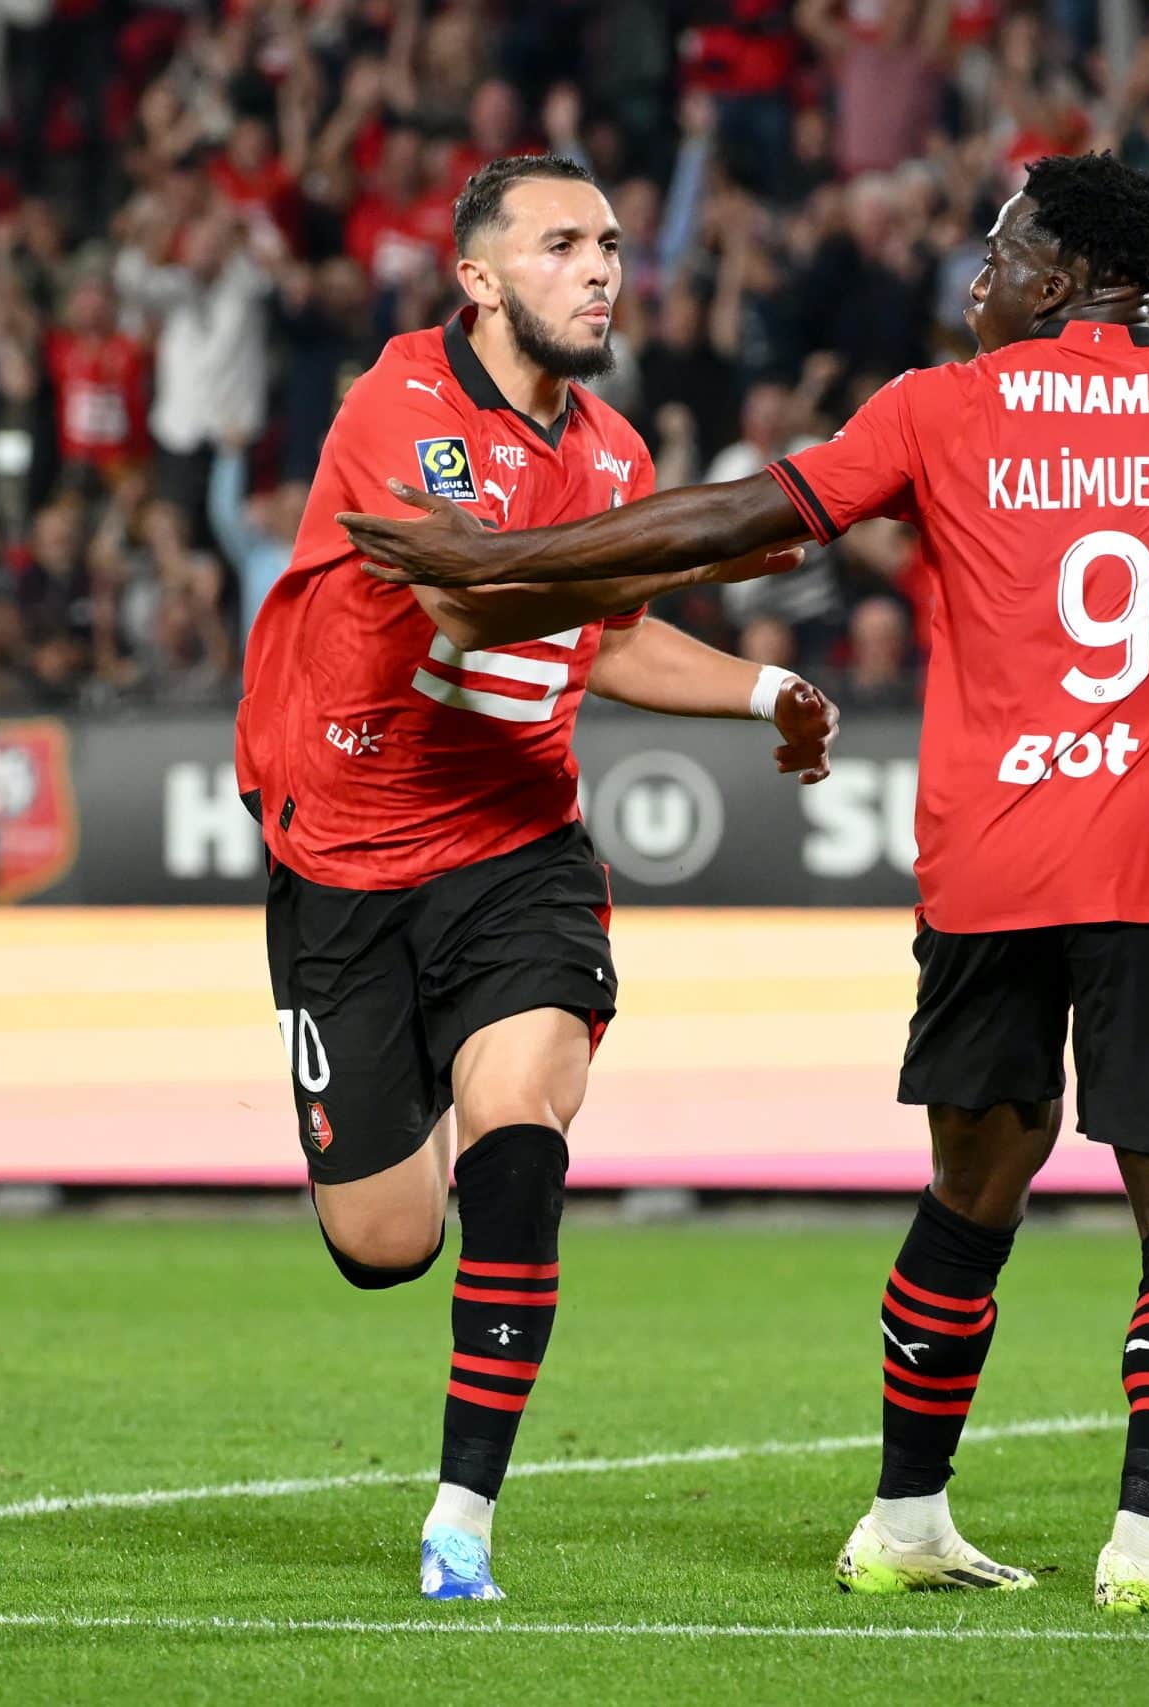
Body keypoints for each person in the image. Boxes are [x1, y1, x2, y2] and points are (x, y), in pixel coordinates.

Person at [341, 151, 1149, 1614]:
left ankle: (906, 1515)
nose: (978, 275)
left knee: (971, 1188)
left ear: (1076, 276)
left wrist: (512, 555)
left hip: (988, 865)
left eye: (1004, 249)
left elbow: (729, 520)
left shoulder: (939, 409)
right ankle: (1146, 1544)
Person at [237, 154, 839, 1605]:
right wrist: (702, 536)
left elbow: (605, 635)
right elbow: (469, 589)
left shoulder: (616, 455)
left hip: (517, 846)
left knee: (523, 1130)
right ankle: (404, 1095)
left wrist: (765, 688)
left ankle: (462, 1519)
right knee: (386, 1243)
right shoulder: (403, 403)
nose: (603, 269)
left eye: (614, 245)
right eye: (564, 244)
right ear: (481, 276)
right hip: (345, 853)